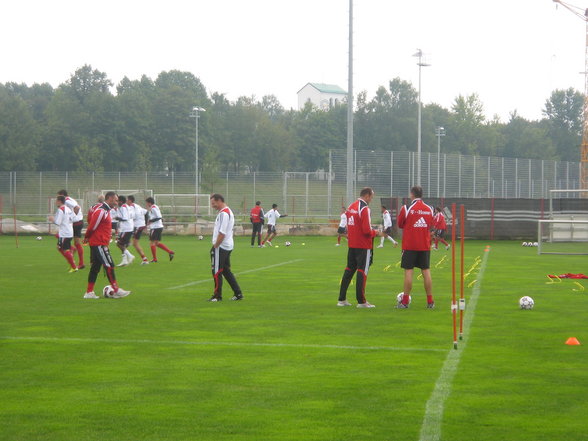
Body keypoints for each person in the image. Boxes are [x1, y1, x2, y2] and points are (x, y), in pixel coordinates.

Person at [338, 187, 383, 308]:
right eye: (371, 197)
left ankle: (341, 299)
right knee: (362, 271)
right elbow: (366, 230)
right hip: (363, 245)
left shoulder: (351, 206)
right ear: (367, 195)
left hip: (352, 244)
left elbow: (349, 225)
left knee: (349, 270)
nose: (371, 200)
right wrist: (376, 233)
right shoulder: (364, 208)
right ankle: (362, 301)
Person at [83, 191, 131, 299]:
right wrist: (87, 237)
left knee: (95, 268)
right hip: (99, 243)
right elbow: (92, 226)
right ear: (109, 199)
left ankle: (89, 292)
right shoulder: (102, 211)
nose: (116, 202)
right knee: (109, 265)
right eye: (115, 200)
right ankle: (116, 289)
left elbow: (91, 210)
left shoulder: (103, 209)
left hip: (100, 242)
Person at [397, 186, 435, 309]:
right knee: (426, 271)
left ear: (412, 194)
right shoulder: (430, 209)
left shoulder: (406, 208)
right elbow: (430, 225)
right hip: (424, 245)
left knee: (409, 271)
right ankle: (430, 302)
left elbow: (400, 224)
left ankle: (405, 302)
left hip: (410, 245)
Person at [209, 193, 243, 302]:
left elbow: (222, 233)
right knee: (226, 271)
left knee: (217, 271)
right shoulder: (227, 211)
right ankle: (238, 293)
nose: (212, 206)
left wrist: (215, 246)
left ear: (219, 201)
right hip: (227, 245)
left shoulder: (224, 214)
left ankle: (217, 296)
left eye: (213, 203)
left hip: (221, 246)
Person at [49, 196, 78, 272]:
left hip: (64, 233)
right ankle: (72, 251)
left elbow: (57, 222)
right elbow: (73, 219)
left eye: (56, 201)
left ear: (59, 201)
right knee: (60, 247)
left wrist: (52, 219)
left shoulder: (60, 210)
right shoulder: (68, 209)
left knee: (63, 249)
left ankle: (74, 266)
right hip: (69, 232)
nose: (55, 202)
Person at [57, 190, 85, 269]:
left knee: (66, 239)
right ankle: (75, 254)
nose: (58, 198)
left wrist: (72, 217)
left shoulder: (67, 200)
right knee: (73, 241)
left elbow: (77, 208)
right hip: (77, 222)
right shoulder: (70, 199)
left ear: (63, 195)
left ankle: (79, 261)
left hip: (76, 223)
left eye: (59, 196)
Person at [145, 197, 175, 262]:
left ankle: (155, 259)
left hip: (155, 227)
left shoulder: (153, 208)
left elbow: (159, 217)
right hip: (158, 227)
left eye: (147, 203)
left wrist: (150, 221)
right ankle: (170, 252)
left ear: (149, 203)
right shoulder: (154, 207)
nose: (146, 204)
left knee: (152, 243)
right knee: (156, 243)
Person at [128, 195, 149, 264]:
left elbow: (132, 216)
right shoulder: (137, 206)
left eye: (127, 200)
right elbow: (146, 212)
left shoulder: (131, 207)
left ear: (130, 200)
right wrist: (145, 224)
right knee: (134, 243)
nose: (126, 201)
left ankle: (145, 259)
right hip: (140, 225)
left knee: (135, 243)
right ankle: (144, 259)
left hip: (137, 226)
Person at [115, 195, 135, 266]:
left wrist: (117, 218)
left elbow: (125, 218)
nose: (116, 202)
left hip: (126, 228)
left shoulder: (123, 207)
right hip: (127, 227)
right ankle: (124, 260)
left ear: (121, 201)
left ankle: (130, 256)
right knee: (123, 245)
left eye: (117, 201)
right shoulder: (125, 207)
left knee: (119, 244)